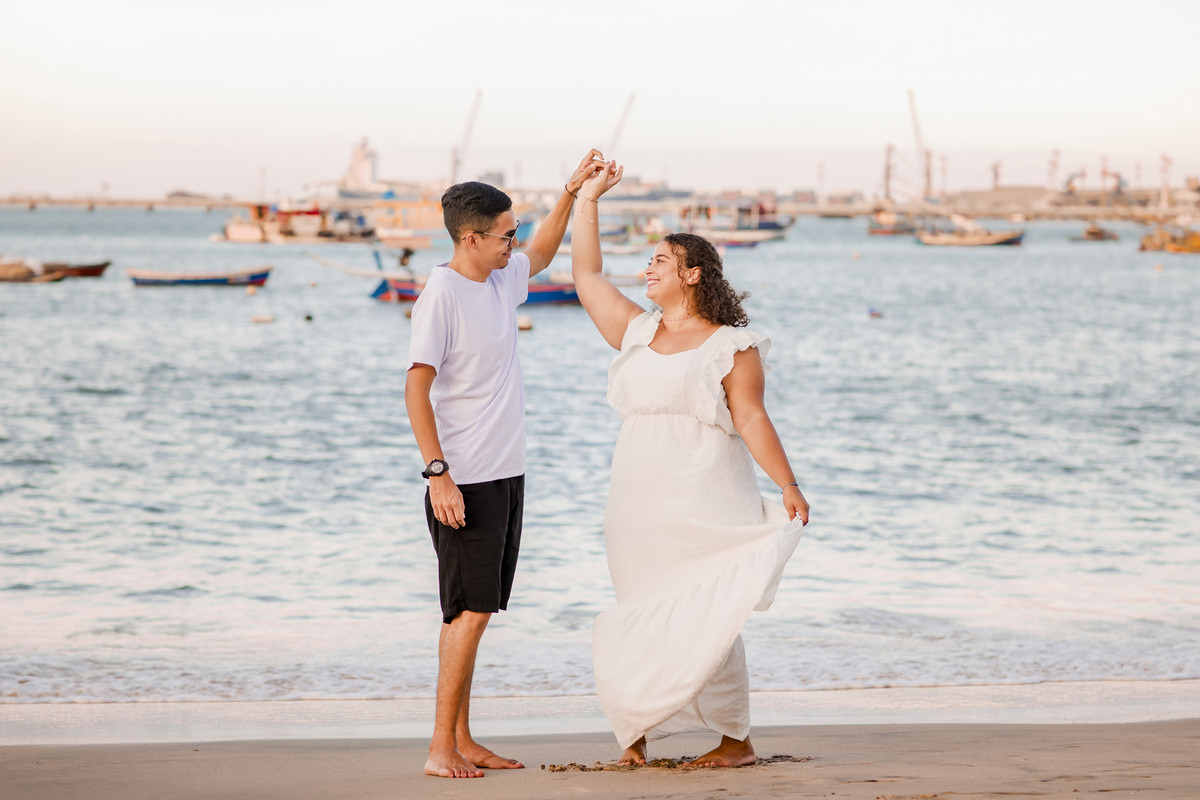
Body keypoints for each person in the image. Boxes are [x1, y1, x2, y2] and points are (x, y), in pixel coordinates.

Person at [571, 160, 810, 767]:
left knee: (709, 611)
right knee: (639, 606)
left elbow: (752, 419)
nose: (645, 269)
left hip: (705, 496)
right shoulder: (634, 331)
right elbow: (586, 271)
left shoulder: (733, 345)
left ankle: (735, 741)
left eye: (659, 261)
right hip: (637, 499)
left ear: (693, 274)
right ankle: (633, 739)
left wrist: (787, 485)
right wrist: (587, 197)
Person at [405, 151, 606, 779]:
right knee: (465, 611)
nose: (513, 244)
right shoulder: (441, 295)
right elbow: (416, 387)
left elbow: (543, 254)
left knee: (482, 607)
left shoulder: (498, 278)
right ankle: (440, 748)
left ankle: (464, 739)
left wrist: (570, 193)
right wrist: (439, 475)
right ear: (471, 237)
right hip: (463, 479)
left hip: (506, 471)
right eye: (504, 235)